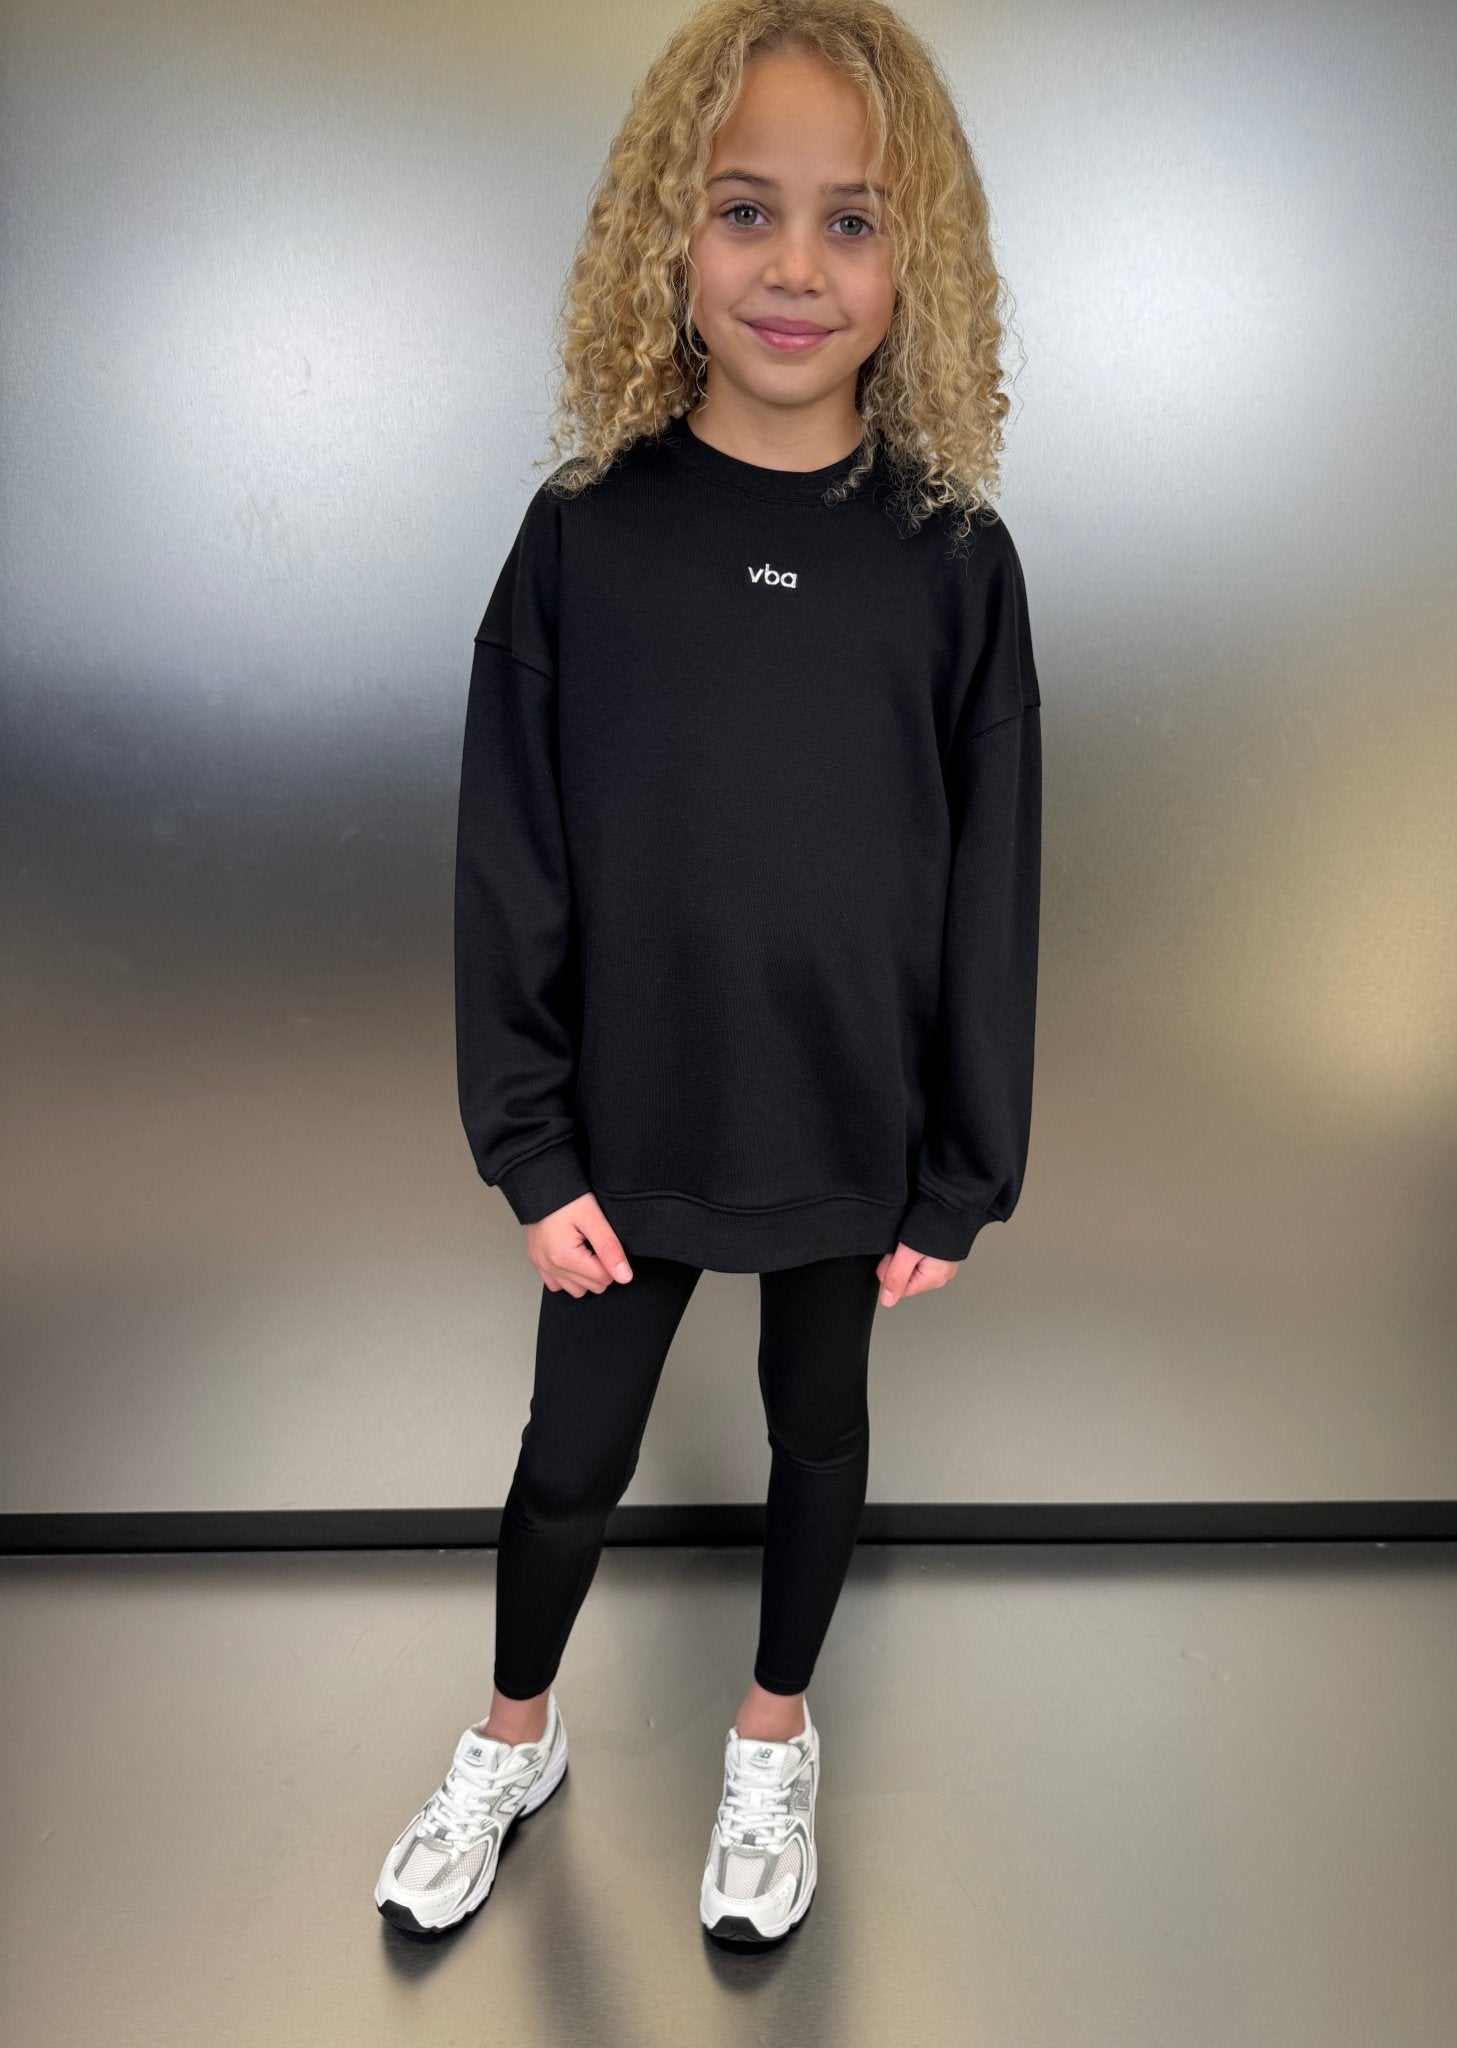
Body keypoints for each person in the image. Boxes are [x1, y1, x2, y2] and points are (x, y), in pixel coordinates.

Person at [377, 0, 1043, 1949]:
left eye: (853, 219)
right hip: (625, 1131)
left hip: (850, 1126)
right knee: (569, 1458)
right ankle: (514, 1736)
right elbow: (509, 860)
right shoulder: (585, 540)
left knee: (817, 1428)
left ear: (915, 263)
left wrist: (962, 1167)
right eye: (747, 209)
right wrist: (529, 1141)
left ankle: (772, 1733)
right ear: (667, 234)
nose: (795, 265)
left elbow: (993, 887)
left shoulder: (953, 563)